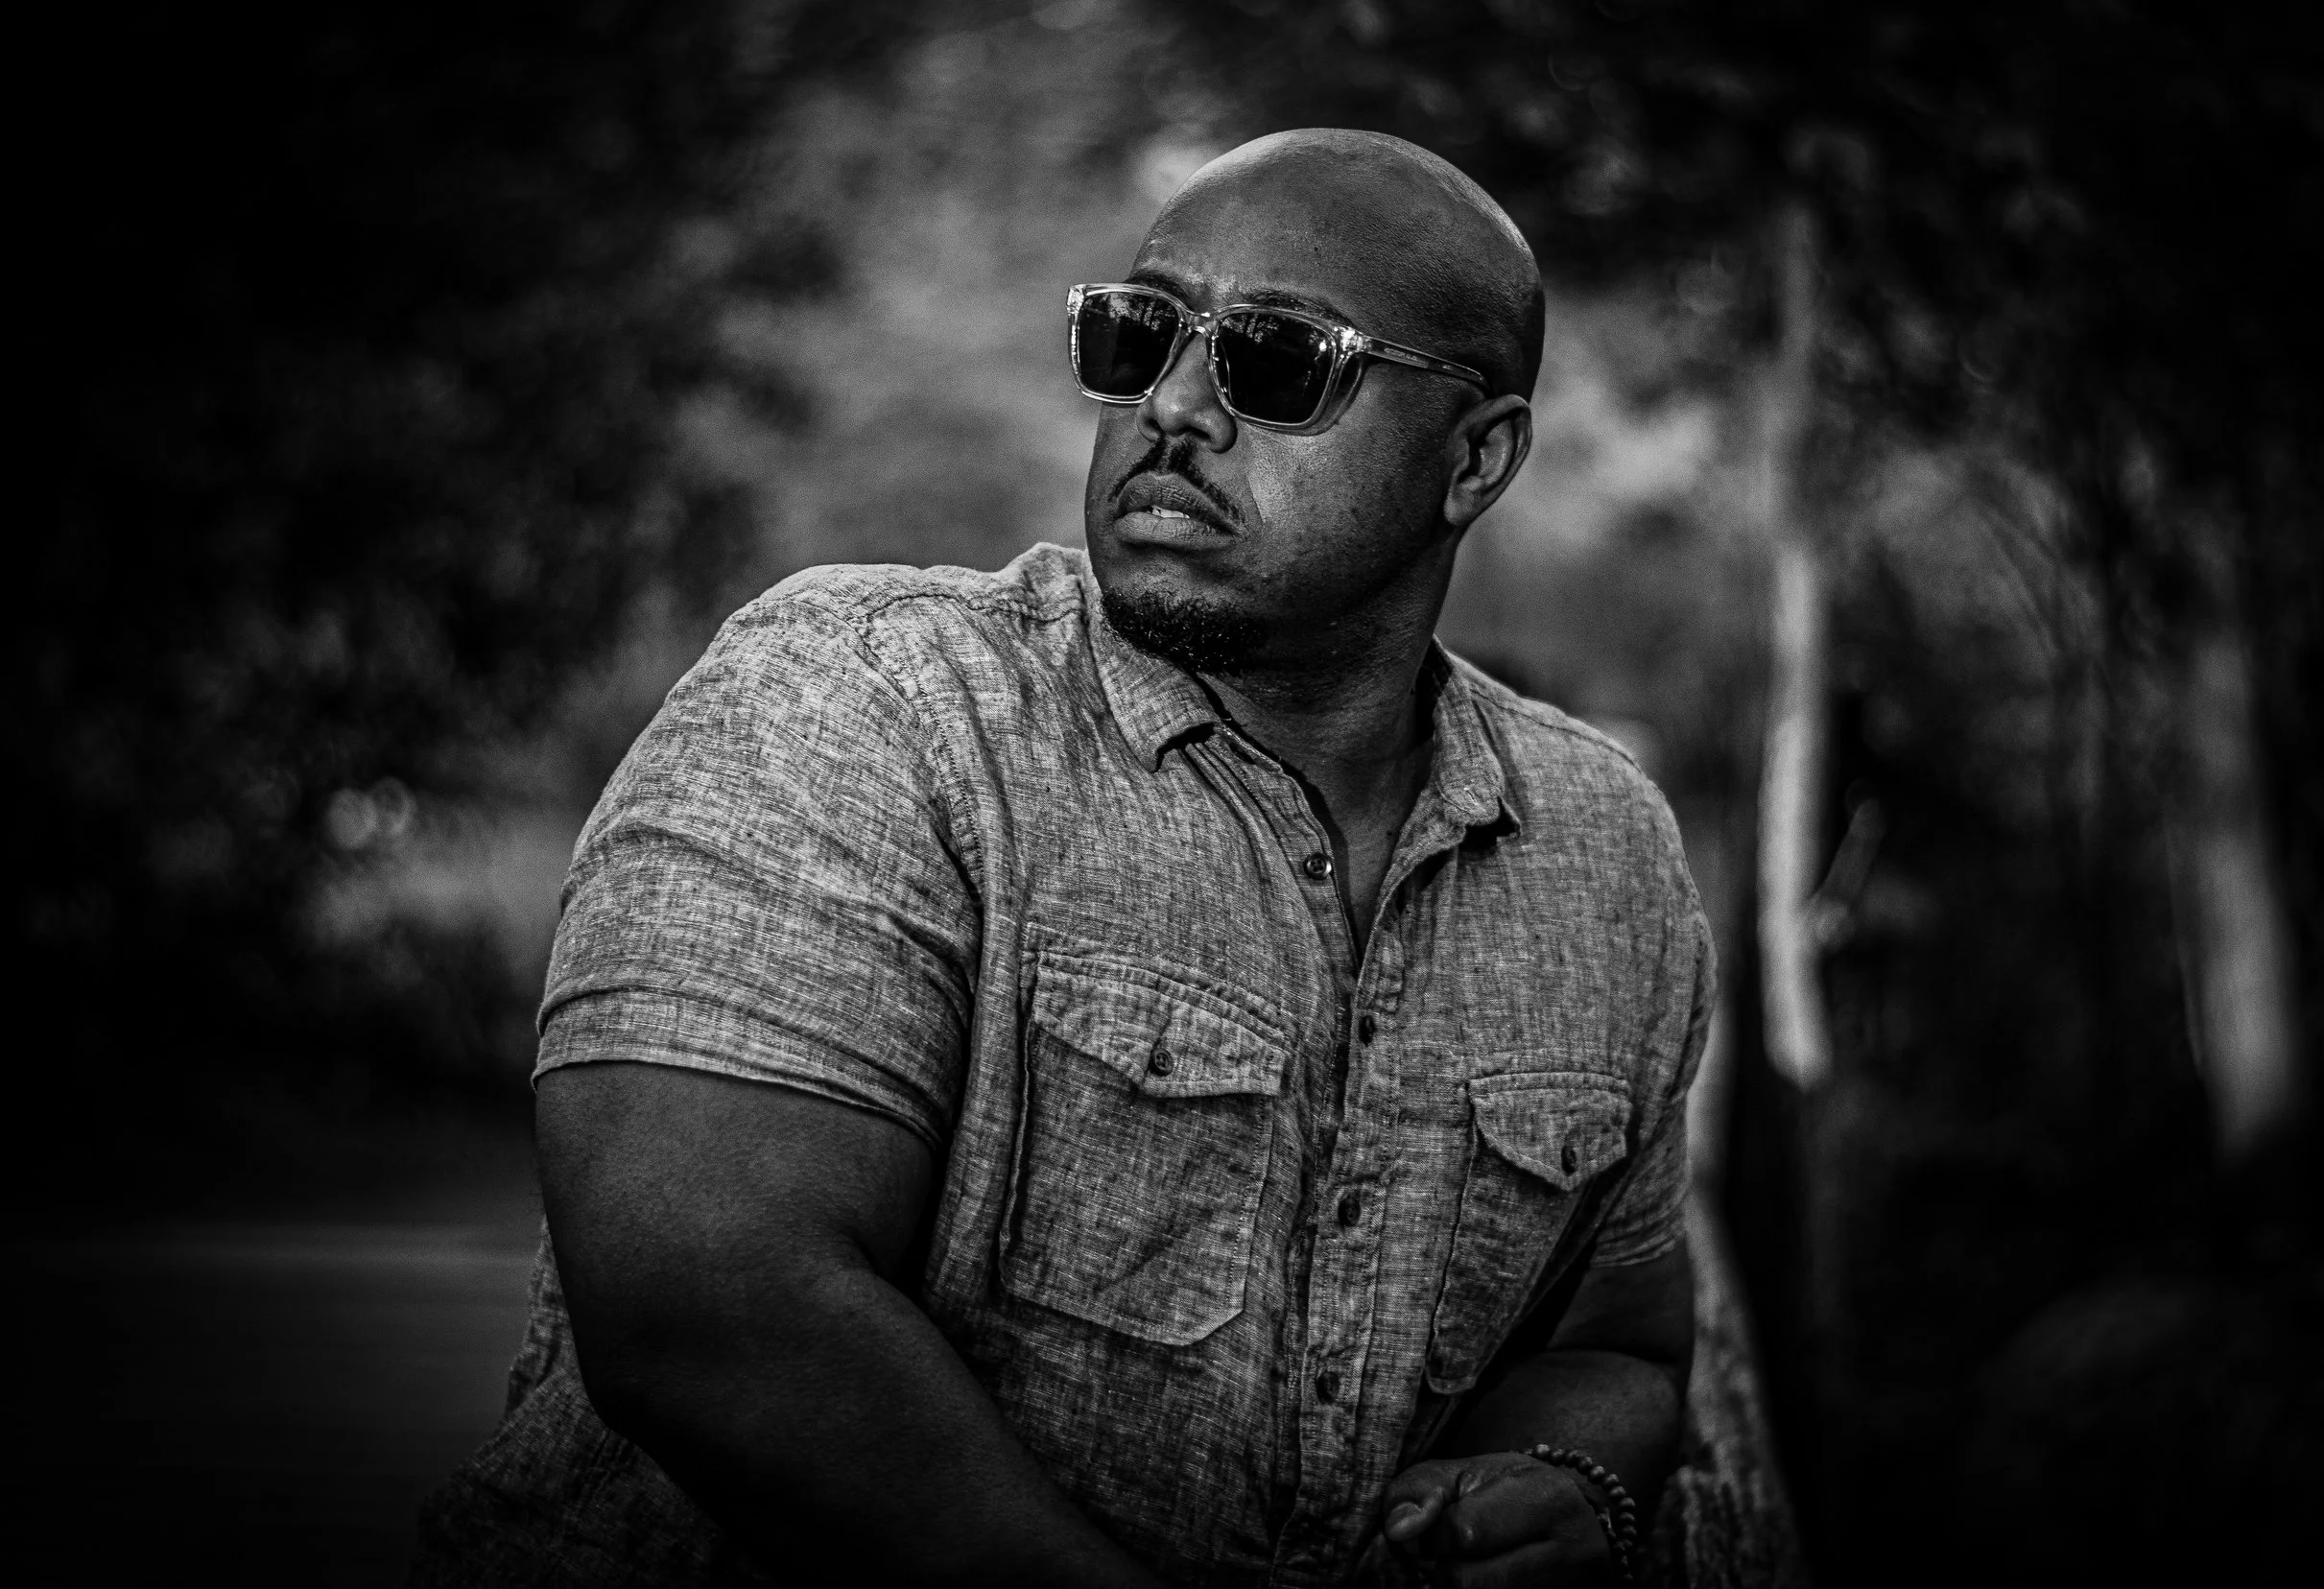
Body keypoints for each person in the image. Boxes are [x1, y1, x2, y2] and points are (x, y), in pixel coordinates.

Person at [415, 128, 1714, 1589]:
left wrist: (1561, 1478)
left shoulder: (1603, 854)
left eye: (1278, 362)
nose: (1170, 406)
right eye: (1137, 333)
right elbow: (705, 1307)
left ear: (1475, 460)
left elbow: (1619, 1340)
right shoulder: (868, 703)